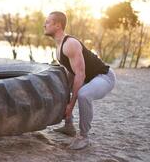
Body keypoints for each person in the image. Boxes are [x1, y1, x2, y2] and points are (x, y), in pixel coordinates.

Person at [44, 11, 116, 150]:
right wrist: (65, 89)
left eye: (47, 22)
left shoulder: (70, 43)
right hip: (89, 79)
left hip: (104, 77)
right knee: (63, 86)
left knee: (83, 94)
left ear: (58, 25)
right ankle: (69, 126)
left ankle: (84, 137)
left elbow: (80, 75)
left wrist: (71, 105)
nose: (44, 25)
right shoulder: (59, 46)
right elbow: (71, 72)